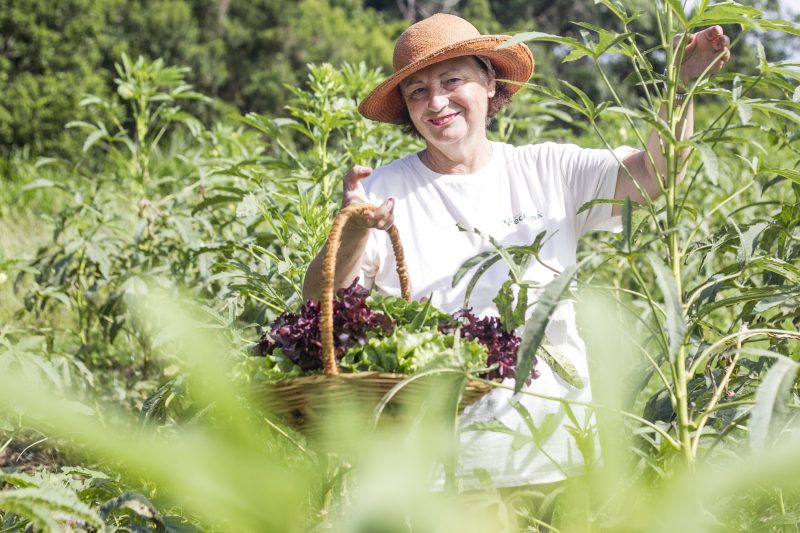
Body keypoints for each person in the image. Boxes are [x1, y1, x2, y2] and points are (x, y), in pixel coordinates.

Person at [303, 13, 730, 488]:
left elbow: (654, 176)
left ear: (489, 80)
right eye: (417, 91)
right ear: (406, 108)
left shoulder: (548, 167)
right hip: (437, 479)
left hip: (561, 460)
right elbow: (320, 303)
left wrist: (680, 85)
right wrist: (357, 232)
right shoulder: (384, 190)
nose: (437, 102)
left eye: (451, 80)